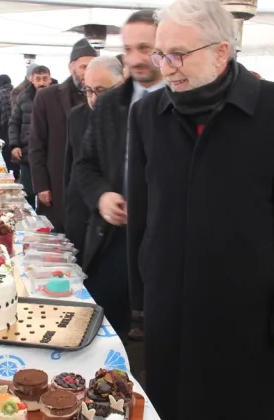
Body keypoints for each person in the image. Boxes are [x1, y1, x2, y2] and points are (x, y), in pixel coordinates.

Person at [127, 1, 274, 418]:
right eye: (161, 54)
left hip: (246, 307)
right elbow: (141, 212)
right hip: (170, 303)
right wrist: (141, 298)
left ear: (221, 51)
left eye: (178, 54)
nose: (167, 66)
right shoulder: (147, 114)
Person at [74, 9, 166, 342]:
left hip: (167, 240)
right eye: (129, 49)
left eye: (145, 47)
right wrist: (102, 196)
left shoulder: (186, 102)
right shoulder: (110, 105)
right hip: (114, 236)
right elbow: (85, 165)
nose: (136, 58)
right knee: (100, 325)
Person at [65, 56, 125, 286]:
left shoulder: (133, 118)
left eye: (101, 90)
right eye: (88, 90)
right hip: (80, 211)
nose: (93, 98)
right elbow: (71, 168)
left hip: (113, 222)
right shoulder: (77, 117)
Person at [29, 39, 98, 232]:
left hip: (88, 185)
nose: (87, 71)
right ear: (71, 67)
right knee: (56, 241)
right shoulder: (47, 97)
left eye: (92, 66)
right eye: (84, 66)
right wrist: (41, 185)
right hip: (56, 182)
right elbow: (36, 144)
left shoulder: (102, 96)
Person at [9, 65, 52, 209]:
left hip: (50, 155)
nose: (41, 82)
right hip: (27, 154)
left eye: (45, 78)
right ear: (32, 80)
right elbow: (14, 122)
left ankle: (46, 225)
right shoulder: (23, 97)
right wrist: (14, 145)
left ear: (50, 79)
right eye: (38, 79)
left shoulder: (57, 97)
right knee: (27, 192)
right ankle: (30, 223)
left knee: (48, 195)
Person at [0, 74, 18, 179]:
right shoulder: (16, 91)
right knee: (13, 148)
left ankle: (5, 173)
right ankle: (16, 172)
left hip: (4, 128)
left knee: (4, 151)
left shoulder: (0, 93)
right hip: (15, 127)